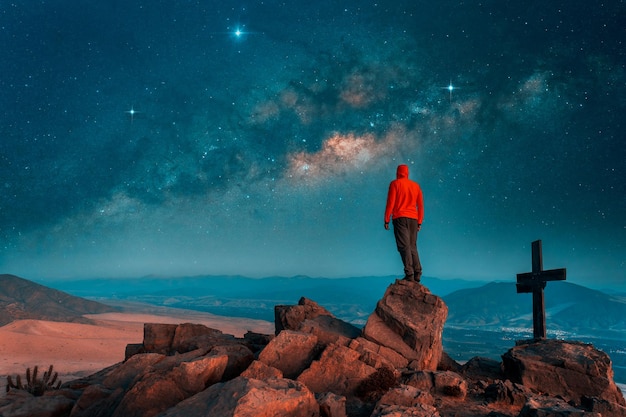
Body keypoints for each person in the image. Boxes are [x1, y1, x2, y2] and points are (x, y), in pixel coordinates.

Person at [384, 164, 424, 282]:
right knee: (412, 246)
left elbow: (390, 203)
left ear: (397, 173)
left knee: (404, 246)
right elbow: (420, 206)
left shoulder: (395, 184)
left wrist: (386, 219)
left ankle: (409, 274)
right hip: (414, 219)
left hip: (400, 217)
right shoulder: (416, 186)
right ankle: (417, 273)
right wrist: (419, 222)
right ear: (407, 173)